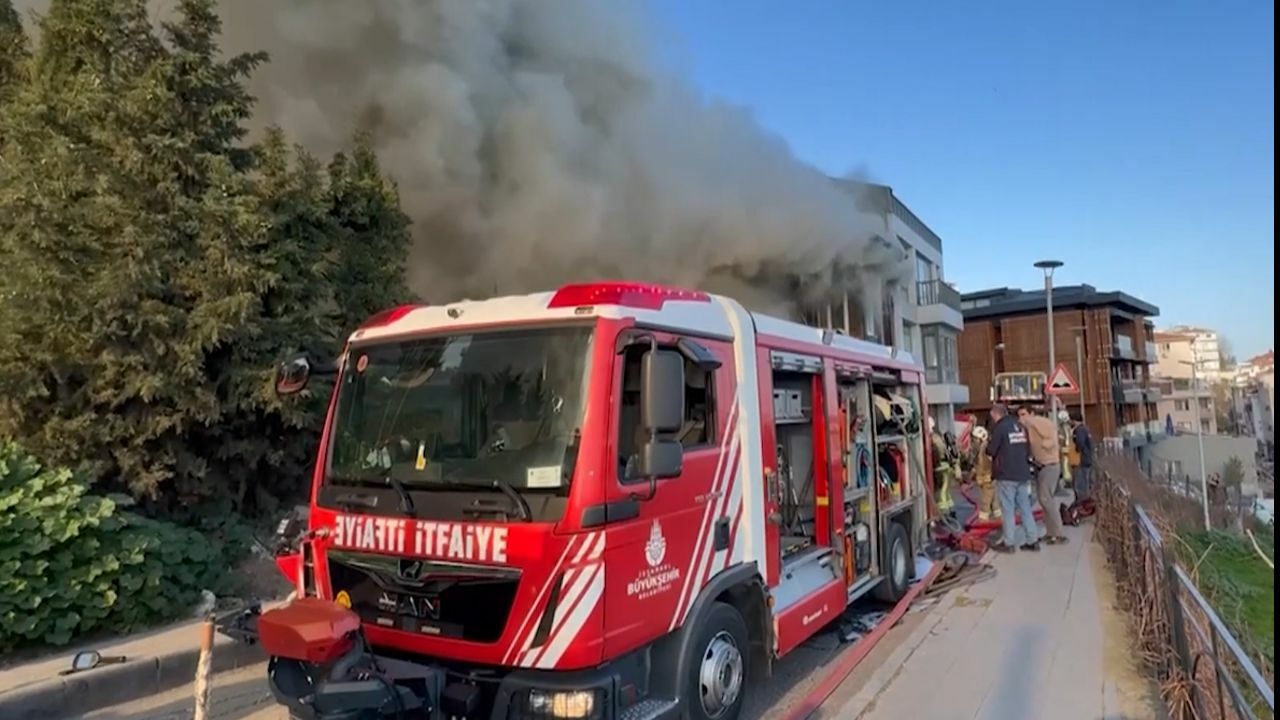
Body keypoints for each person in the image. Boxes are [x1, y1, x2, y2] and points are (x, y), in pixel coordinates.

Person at [986, 403, 1040, 552]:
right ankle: (1032, 539)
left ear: (996, 414)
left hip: (1006, 475)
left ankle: (1009, 543)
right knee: (1025, 507)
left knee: (1008, 509)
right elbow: (1027, 448)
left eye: (992, 416)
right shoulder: (1021, 427)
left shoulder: (1000, 428)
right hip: (1023, 473)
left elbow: (991, 450)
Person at [1018, 405, 1068, 545]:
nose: (1021, 418)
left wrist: (1047, 446)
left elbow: (1051, 432)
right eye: (1019, 415)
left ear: (1031, 413)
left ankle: (1058, 533)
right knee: (1043, 500)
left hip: (1049, 464)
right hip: (1041, 465)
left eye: (1023, 414)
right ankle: (1051, 532)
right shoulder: (1028, 427)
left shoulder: (1037, 422)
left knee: (1046, 499)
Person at [969, 425, 999, 521]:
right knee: (994, 501)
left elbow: (985, 465)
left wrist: (983, 478)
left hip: (987, 479)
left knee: (985, 502)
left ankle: (983, 521)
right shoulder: (982, 448)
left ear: (981, 439)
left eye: (975, 439)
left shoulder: (985, 449)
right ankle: (998, 518)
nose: (973, 442)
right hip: (989, 479)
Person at [1070, 413, 1094, 503]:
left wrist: (1076, 449)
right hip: (1088, 458)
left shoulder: (1079, 430)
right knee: (1087, 481)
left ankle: (1082, 503)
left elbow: (1079, 443)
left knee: (1080, 483)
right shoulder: (1086, 428)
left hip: (1081, 460)